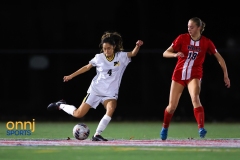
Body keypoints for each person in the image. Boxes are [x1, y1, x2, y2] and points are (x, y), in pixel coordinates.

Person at [47, 31, 144, 141]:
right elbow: (86, 67)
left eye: (109, 48)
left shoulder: (121, 56)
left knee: (111, 108)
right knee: (78, 114)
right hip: (96, 90)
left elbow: (133, 53)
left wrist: (137, 46)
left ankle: (97, 135)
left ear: (114, 47)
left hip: (110, 92)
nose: (106, 51)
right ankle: (61, 105)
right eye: (104, 48)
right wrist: (71, 76)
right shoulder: (99, 57)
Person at [160, 17, 230, 140]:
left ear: (199, 28)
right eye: (188, 27)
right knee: (171, 106)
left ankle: (201, 128)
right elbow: (165, 53)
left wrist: (225, 74)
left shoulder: (206, 42)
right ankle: (165, 127)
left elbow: (219, 58)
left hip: (194, 75)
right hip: (179, 75)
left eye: (191, 27)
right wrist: (175, 54)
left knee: (195, 99)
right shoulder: (182, 38)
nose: (189, 29)